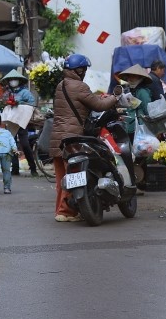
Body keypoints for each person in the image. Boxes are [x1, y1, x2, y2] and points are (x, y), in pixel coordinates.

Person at [50, 54, 119, 222]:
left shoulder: (61, 85)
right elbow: (99, 105)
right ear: (79, 70)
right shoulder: (80, 86)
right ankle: (68, 212)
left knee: (61, 178)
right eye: (84, 70)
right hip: (72, 137)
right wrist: (114, 98)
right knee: (73, 176)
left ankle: (60, 211)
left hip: (57, 138)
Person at [1, 69, 38, 177]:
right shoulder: (9, 92)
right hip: (12, 121)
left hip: (21, 121)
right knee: (12, 144)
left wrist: (19, 102)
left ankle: (33, 168)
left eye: (15, 79)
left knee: (25, 144)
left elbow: (32, 103)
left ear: (19, 81)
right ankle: (15, 169)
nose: (13, 81)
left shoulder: (25, 92)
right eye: (11, 80)